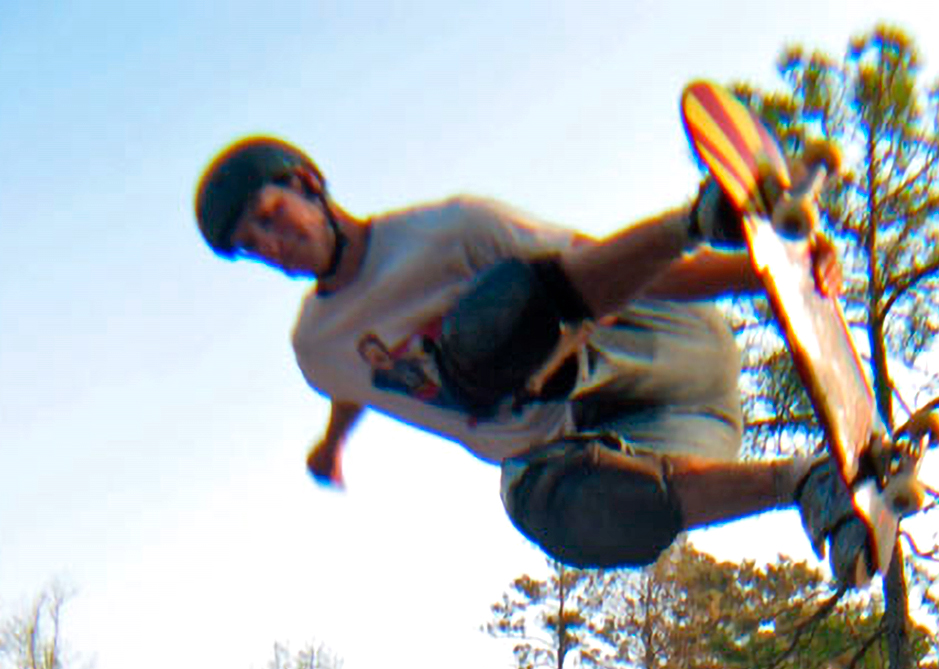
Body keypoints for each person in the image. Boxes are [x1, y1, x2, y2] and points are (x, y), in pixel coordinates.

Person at [193, 138, 869, 587]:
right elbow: (353, 386)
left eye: (271, 217)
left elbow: (613, 272)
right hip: (666, 438)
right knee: (554, 507)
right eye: (252, 245)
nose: (271, 246)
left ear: (309, 184)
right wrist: (332, 443)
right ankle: (804, 483)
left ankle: (698, 218)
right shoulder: (318, 348)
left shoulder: (453, 231)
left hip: (658, 347)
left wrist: (764, 270)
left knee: (481, 340)